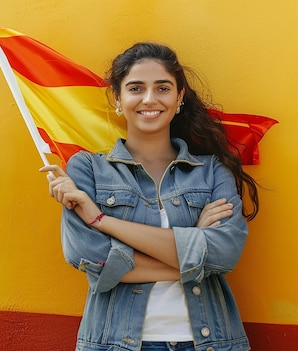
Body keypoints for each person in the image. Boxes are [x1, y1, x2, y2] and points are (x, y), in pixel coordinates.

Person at [40, 42, 259, 351]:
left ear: (179, 96)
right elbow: (92, 260)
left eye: (162, 88)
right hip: (117, 343)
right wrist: (196, 243)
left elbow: (224, 254)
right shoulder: (87, 169)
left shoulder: (211, 171)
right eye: (136, 88)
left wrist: (101, 220)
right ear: (118, 97)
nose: (149, 99)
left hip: (210, 342)